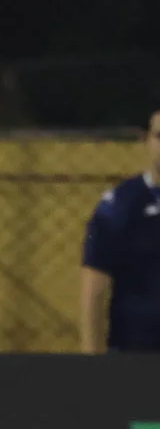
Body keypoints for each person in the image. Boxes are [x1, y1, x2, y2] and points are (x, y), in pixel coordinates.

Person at [81, 109, 160, 353]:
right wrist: (91, 359)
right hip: (134, 354)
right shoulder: (119, 206)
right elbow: (94, 288)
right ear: (146, 140)